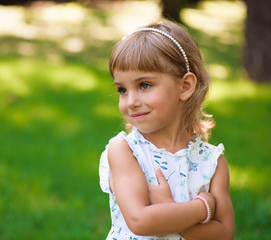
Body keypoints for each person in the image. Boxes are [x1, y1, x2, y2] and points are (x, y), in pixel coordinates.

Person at [99, 20, 234, 240]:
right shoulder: (125, 151)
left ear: (185, 86)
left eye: (144, 85)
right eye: (122, 90)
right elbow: (140, 220)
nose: (130, 101)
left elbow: (224, 234)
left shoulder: (211, 161)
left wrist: (168, 206)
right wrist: (202, 208)